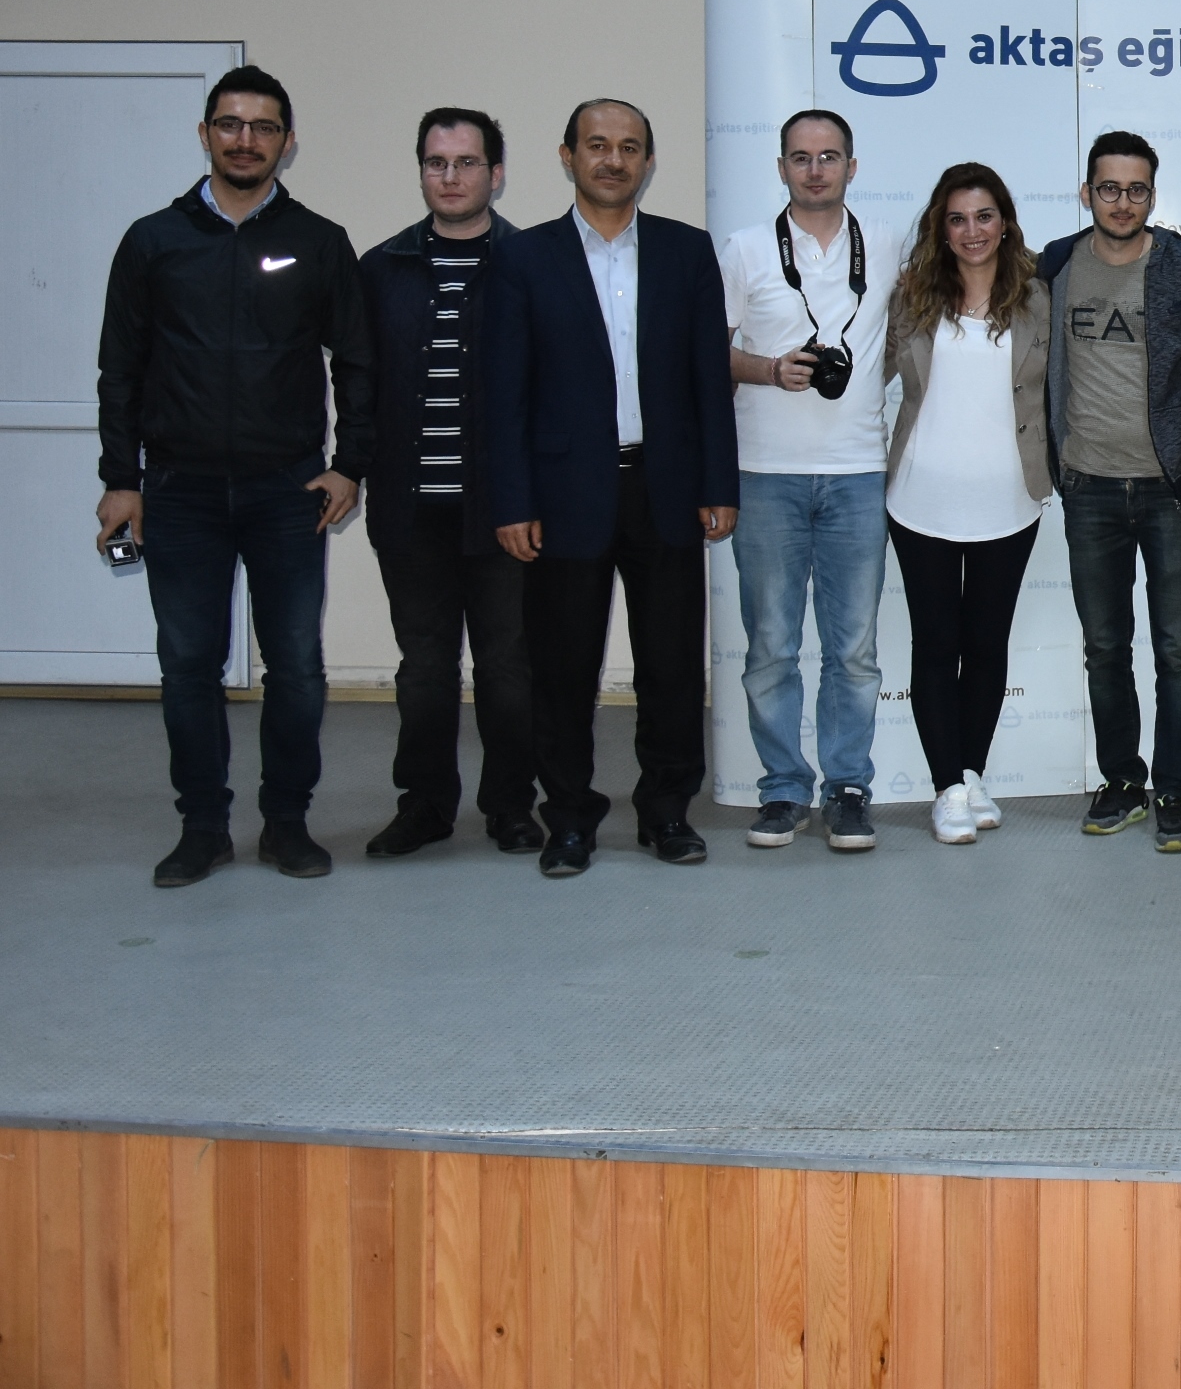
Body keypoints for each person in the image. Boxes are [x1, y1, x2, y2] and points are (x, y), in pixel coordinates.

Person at [97, 65, 375, 887]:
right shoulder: (154, 241)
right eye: (230, 124)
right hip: (177, 492)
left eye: (263, 127)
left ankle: (286, 824)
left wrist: (349, 466)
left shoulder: (318, 241)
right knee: (188, 665)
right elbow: (120, 369)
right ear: (205, 134)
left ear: (287, 143)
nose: (245, 140)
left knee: (295, 665)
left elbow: (358, 362)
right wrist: (122, 479)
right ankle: (203, 828)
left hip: (287, 492)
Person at [483, 99, 739, 879]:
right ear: (568, 156)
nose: (613, 159)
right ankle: (568, 819)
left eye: (630, 147)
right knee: (562, 670)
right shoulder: (523, 259)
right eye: (597, 145)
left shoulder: (685, 252)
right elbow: (503, 394)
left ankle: (666, 813)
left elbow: (708, 379)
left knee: (671, 667)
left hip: (667, 489)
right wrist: (512, 500)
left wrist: (718, 483)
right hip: (563, 496)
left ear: (648, 162)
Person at [356, 108, 538, 859]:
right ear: (422, 172)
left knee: (508, 670)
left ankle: (511, 808)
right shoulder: (382, 268)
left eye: (467, 163)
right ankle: (425, 806)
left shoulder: (532, 263)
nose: (451, 177)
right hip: (410, 511)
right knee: (424, 670)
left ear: (496, 173)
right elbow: (359, 384)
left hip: (504, 511)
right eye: (437, 163)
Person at [1035, 131, 1181, 852]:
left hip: (1173, 492)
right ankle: (1121, 780)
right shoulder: (1055, 265)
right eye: (1108, 188)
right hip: (1088, 489)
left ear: (1152, 195)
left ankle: (1174, 786)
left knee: (1178, 650)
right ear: (1087, 193)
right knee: (1105, 647)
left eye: (1136, 189)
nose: (1122, 202)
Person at [720, 109, 901, 853]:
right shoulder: (744, 248)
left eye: (829, 157)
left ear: (852, 167)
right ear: (781, 167)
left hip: (858, 474)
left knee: (853, 650)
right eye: (801, 157)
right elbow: (706, 352)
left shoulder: (887, 243)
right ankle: (783, 789)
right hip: (766, 475)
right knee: (771, 646)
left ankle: (848, 787)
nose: (815, 170)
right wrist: (769, 369)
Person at [884, 164, 1051, 846]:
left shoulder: (1037, 297)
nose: (972, 231)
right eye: (957, 219)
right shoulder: (913, 296)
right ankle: (945, 788)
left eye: (984, 216)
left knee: (986, 645)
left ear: (1005, 222)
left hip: (1010, 500)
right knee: (935, 644)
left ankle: (972, 774)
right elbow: (871, 375)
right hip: (920, 498)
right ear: (940, 228)